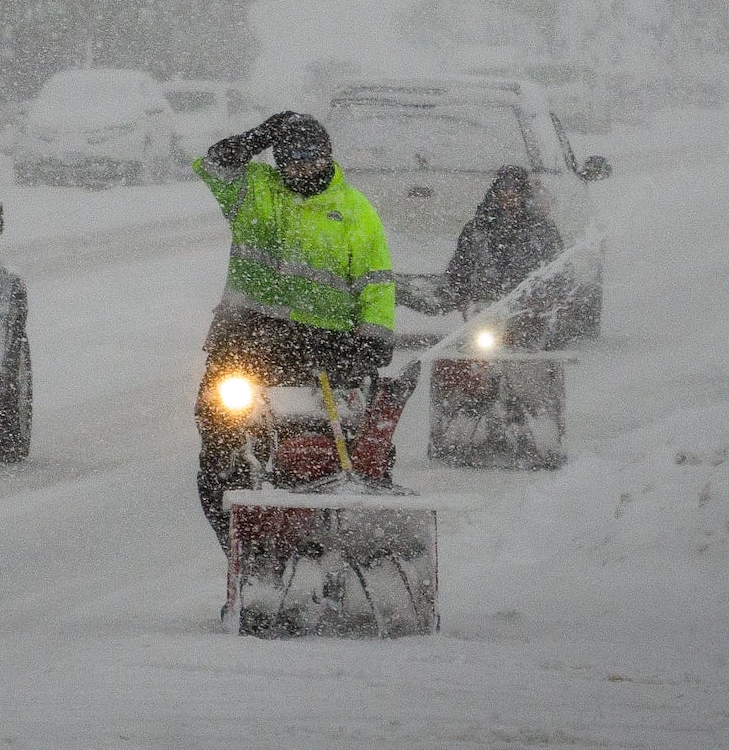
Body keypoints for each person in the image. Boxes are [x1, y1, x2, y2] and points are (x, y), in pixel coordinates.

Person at [192, 111, 396, 535]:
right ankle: (244, 548)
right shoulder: (253, 190)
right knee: (219, 444)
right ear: (277, 159)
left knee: (333, 446)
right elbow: (214, 164)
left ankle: (337, 527)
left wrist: (373, 340)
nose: (301, 169)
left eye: (310, 159)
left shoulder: (356, 213)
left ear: (328, 157)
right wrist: (261, 133)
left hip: (322, 352)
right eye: (290, 159)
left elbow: (375, 285)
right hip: (243, 342)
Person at [443, 163, 564, 327]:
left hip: (531, 312)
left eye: (515, 189)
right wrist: (463, 298)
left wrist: (543, 298)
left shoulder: (541, 229)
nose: (509, 194)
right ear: (495, 191)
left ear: (524, 194)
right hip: (487, 307)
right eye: (504, 188)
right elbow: (460, 267)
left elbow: (559, 267)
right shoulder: (478, 228)